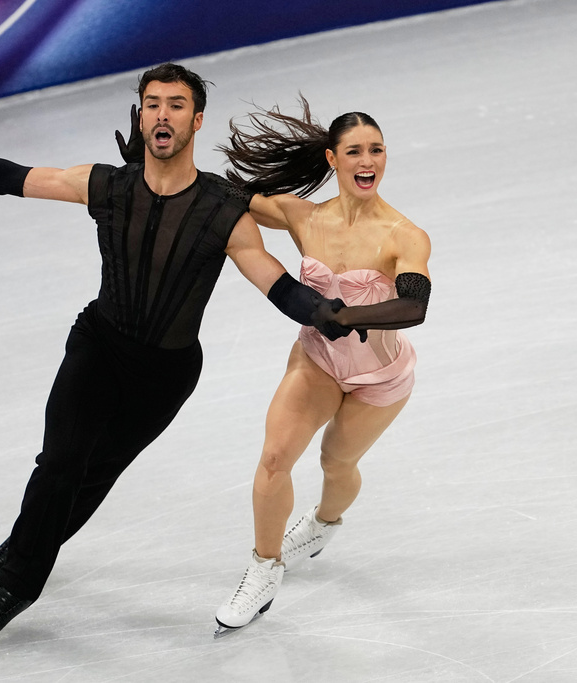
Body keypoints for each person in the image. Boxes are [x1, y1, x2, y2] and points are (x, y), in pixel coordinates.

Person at [0, 64, 357, 643]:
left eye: (176, 105)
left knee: (94, 474)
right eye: (152, 103)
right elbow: (11, 177)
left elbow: (271, 279)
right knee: (59, 463)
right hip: (99, 345)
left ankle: (25, 542)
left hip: (165, 374)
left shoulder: (225, 209)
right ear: (142, 115)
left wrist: (320, 312)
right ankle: (21, 581)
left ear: (196, 121)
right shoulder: (106, 185)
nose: (162, 114)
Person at [209, 98, 433, 635]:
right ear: (332, 159)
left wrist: (346, 313)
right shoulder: (303, 216)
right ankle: (265, 568)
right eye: (355, 150)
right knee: (275, 458)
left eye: (376, 150)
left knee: (336, 464)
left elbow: (414, 306)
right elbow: (223, 195)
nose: (368, 160)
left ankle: (325, 522)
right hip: (317, 359)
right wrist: (150, 166)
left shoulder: (405, 234)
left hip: (381, 377)